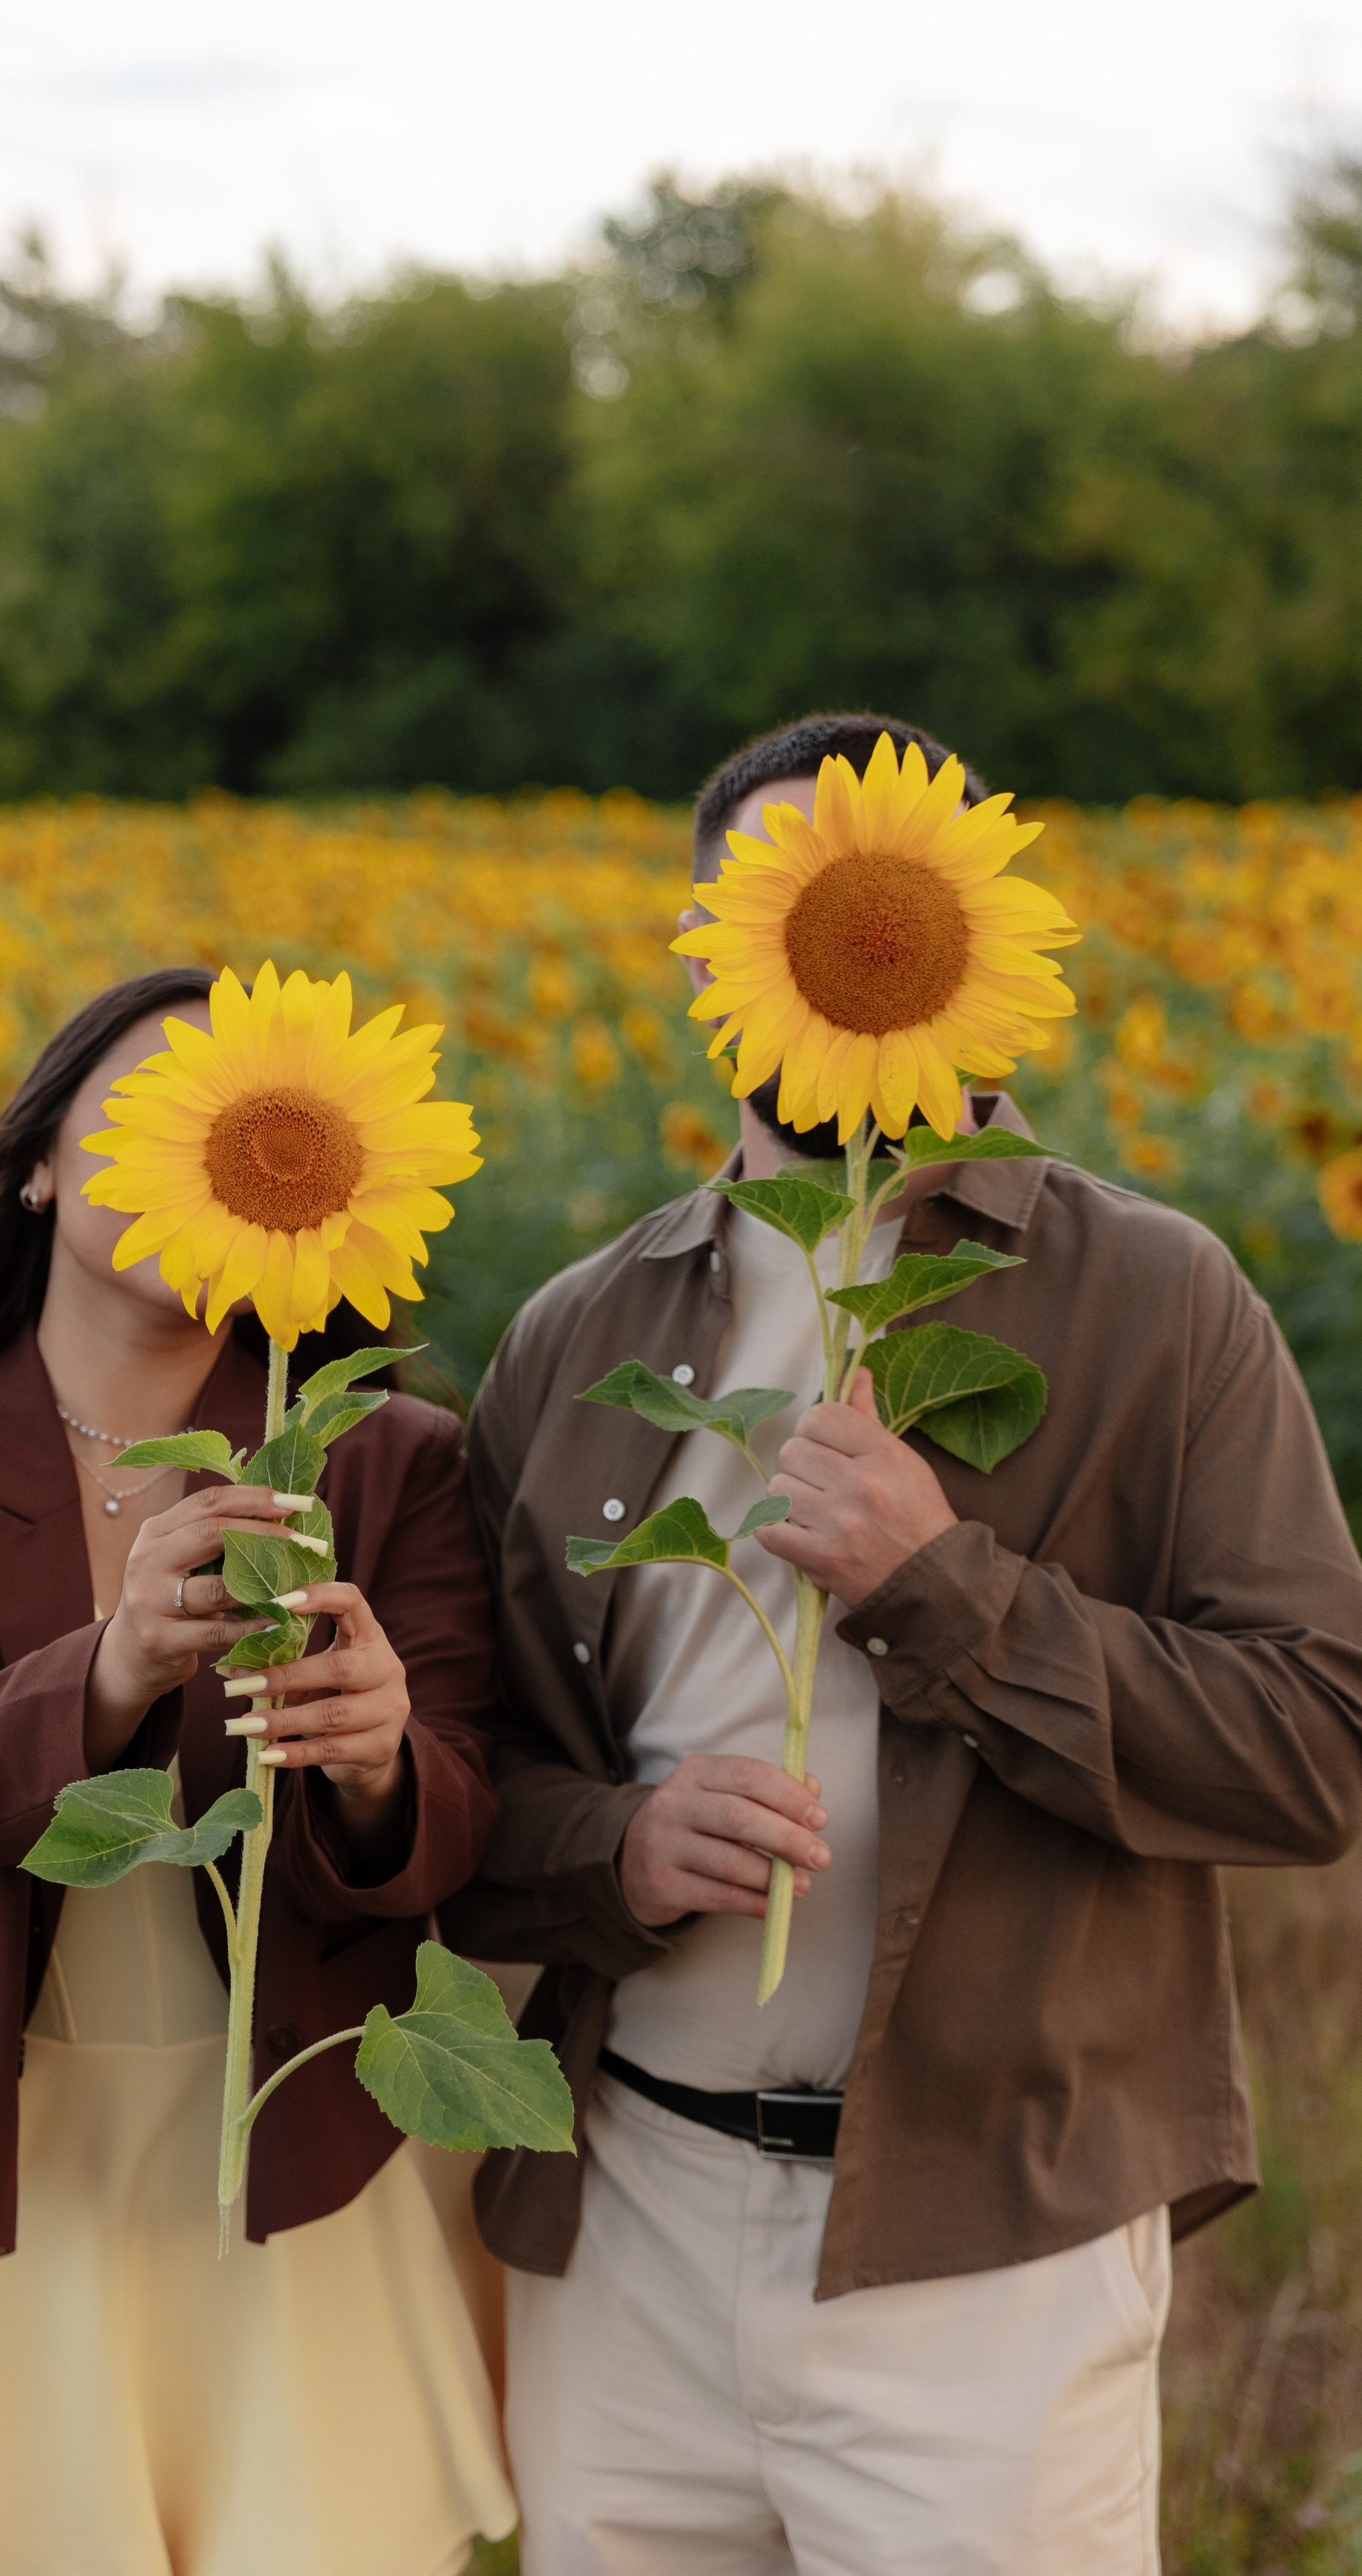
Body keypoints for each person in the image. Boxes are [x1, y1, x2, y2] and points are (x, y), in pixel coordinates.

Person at [443, 712, 1362, 2575]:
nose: (835, 944)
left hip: (988, 2246)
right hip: (630, 2226)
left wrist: (947, 1591)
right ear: (711, 959)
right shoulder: (577, 1328)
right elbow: (472, 1790)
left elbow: (1314, 1748)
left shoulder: (1157, 1299)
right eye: (772, 909)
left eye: (878, 902)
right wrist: (611, 1848)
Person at [0, 967, 515, 2576]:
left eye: (236, 1126)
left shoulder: (387, 1461)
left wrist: (375, 1762)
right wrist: (111, 1669)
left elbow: (458, 1811)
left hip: (300, 2147)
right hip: (11, 2154)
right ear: (33, 1163)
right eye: (153, 1116)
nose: (199, 1153)